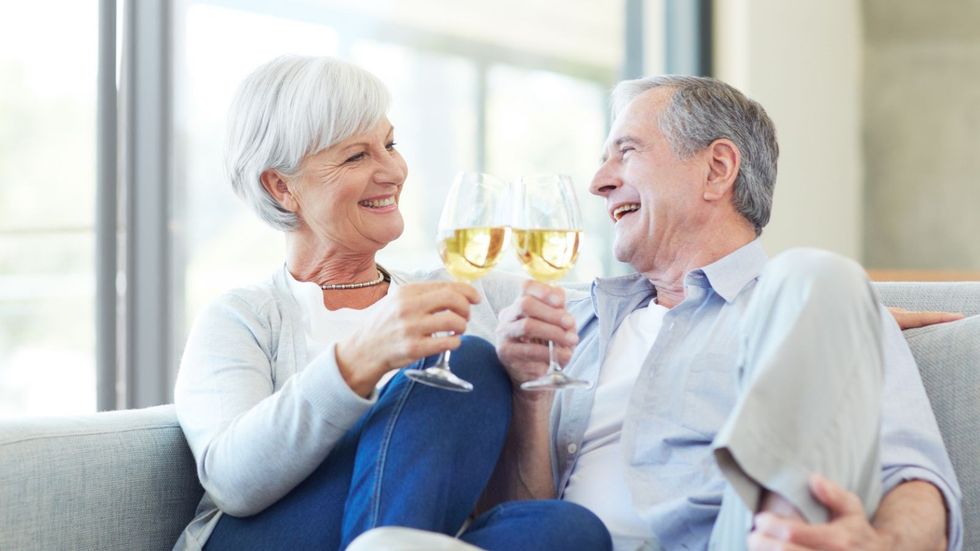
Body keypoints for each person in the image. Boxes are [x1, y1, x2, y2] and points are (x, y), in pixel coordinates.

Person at [482, 76, 963, 551]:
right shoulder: (567, 323)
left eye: (625, 152)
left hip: (736, 537)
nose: (598, 182)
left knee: (820, 273)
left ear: (717, 169)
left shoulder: (810, 305)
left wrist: (883, 543)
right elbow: (524, 518)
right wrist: (531, 395)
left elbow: (914, 480)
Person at [171, 56, 611, 551]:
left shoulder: (472, 292)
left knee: (569, 532)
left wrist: (529, 396)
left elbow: (499, 505)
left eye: (390, 144)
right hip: (263, 538)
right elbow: (232, 481)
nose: (393, 171)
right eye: (357, 156)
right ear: (281, 186)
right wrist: (359, 360)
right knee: (463, 357)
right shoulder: (243, 316)